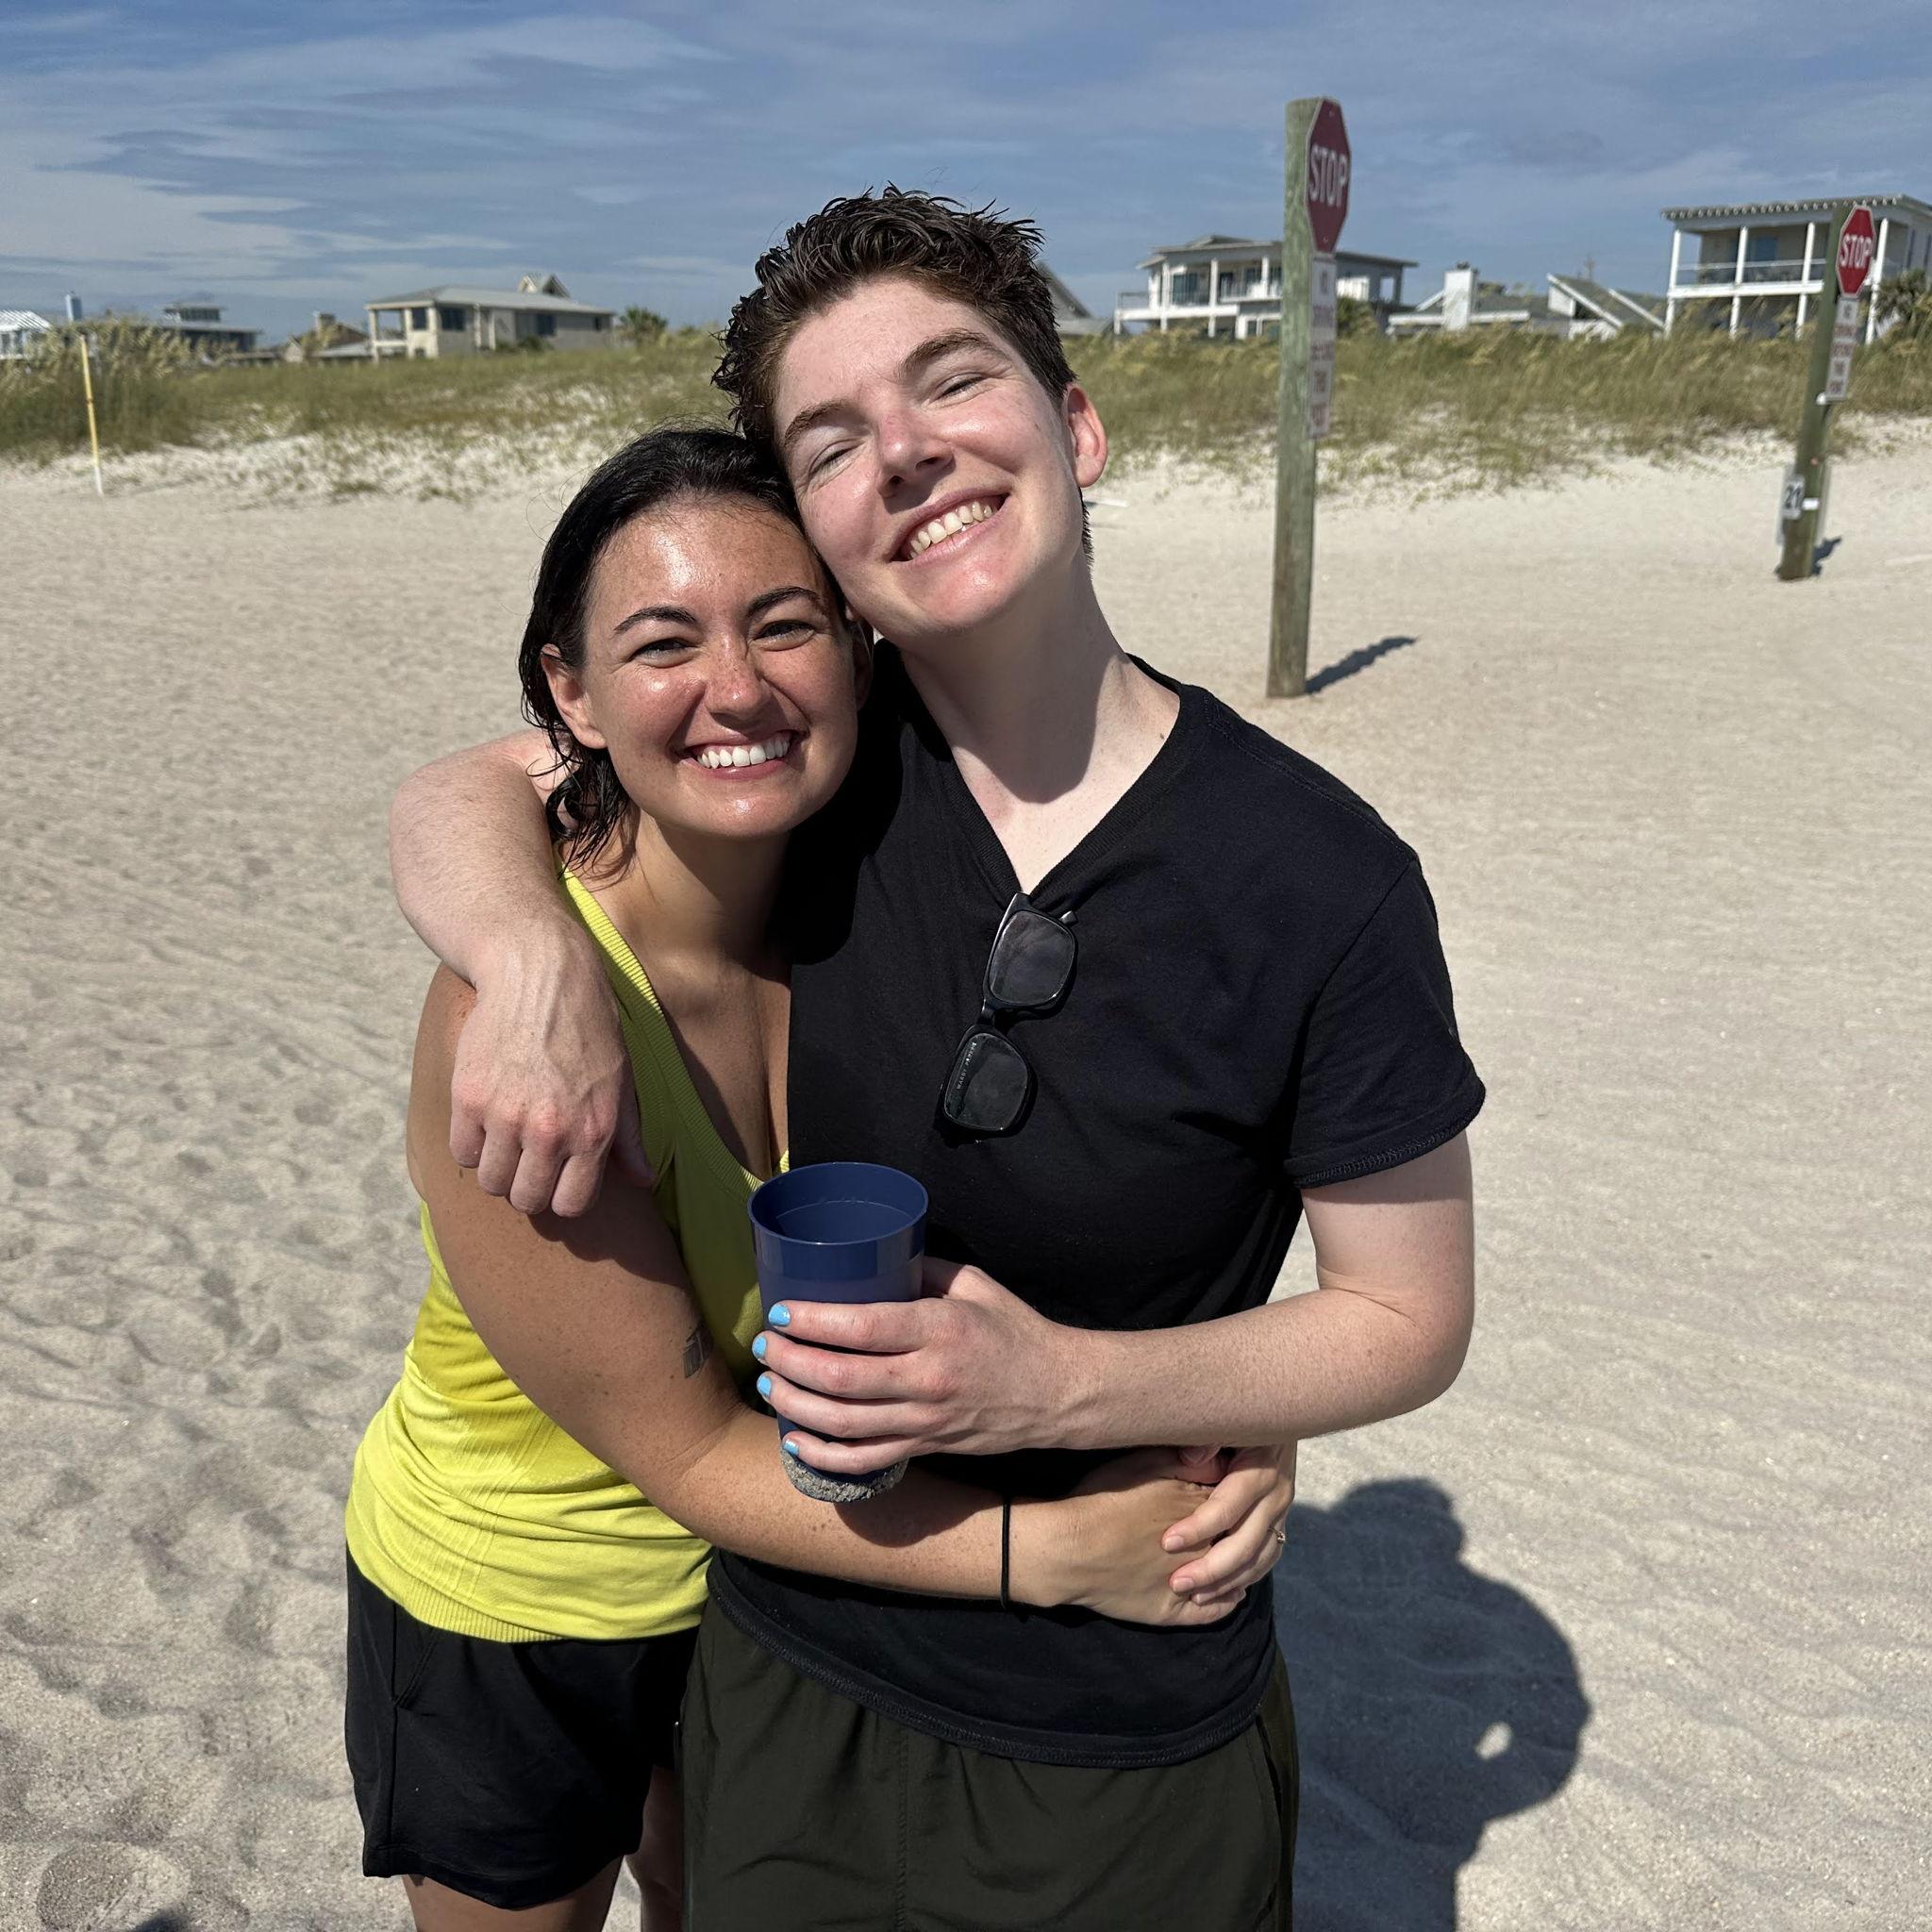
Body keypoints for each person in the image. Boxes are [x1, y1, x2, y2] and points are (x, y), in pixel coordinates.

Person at [390, 192, 1483, 1930]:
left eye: (952, 382)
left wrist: (1083, 1389)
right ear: (818, 526)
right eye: (833, 439)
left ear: (1076, 424)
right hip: (786, 1665)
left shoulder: (1322, 881)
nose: (904, 454)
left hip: (1123, 1723)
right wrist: (523, 955)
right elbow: (487, 778)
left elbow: (1409, 1319)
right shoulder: (813, 761)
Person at [347, 426, 1277, 1932]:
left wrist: (1225, 1423)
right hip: (522, 1600)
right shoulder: (518, 1023)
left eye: (783, 622)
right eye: (662, 643)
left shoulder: (879, 882)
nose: (737, 688)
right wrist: (1053, 1556)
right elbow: (681, 1447)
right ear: (569, 693)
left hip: (778, 1594)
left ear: (854, 644)